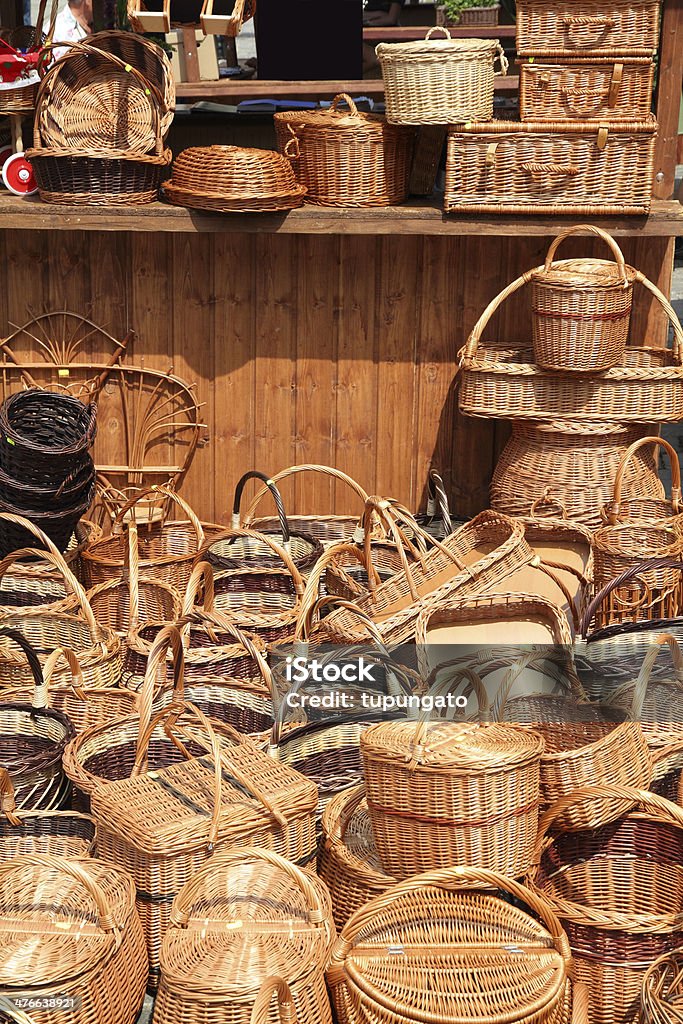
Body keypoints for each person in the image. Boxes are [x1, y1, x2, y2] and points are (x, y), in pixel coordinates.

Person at [363, 0, 404, 75]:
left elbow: (391, 19)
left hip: (387, 38)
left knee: (375, 60)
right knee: (374, 60)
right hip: (367, 36)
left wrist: (369, 21)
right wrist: (380, 14)